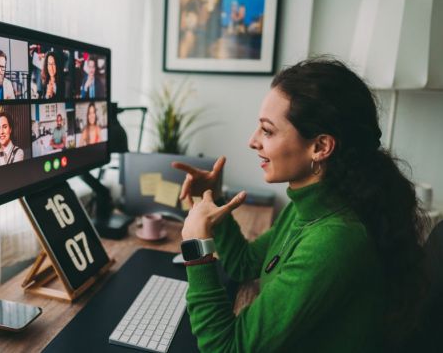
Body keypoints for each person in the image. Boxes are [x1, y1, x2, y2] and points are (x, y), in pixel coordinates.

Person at [172, 58, 427, 352]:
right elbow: (244, 265)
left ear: (320, 147)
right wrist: (215, 198)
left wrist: (195, 247)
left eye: (267, 131)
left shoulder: (334, 241)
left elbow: (226, 348)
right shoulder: (310, 205)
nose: (252, 142)